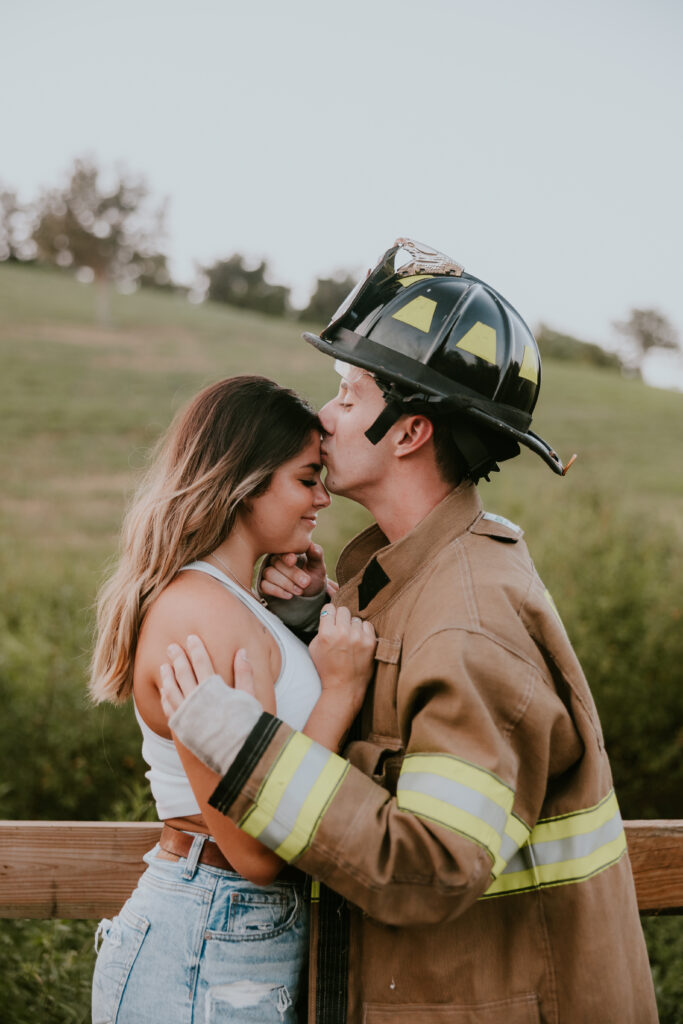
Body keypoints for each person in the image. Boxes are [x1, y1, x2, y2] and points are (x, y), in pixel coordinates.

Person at [159, 241, 658, 1023]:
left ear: (408, 433)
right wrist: (299, 623)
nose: (324, 418)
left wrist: (247, 747)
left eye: (349, 398)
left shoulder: (467, 617)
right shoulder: (413, 583)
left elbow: (430, 866)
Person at [88, 375, 377, 1024]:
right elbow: (252, 852)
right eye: (306, 479)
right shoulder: (200, 616)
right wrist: (337, 691)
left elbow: (278, 754)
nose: (322, 499)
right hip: (207, 936)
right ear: (245, 482)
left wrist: (305, 616)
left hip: (230, 938)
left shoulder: (235, 604)